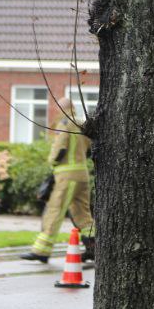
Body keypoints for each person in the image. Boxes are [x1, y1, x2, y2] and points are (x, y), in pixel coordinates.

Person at [21, 97, 95, 263]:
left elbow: (60, 148)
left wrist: (52, 161)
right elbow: (90, 148)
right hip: (82, 175)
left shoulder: (64, 123)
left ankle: (41, 251)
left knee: (54, 211)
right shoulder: (82, 124)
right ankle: (94, 248)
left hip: (66, 177)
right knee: (83, 214)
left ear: (61, 108)